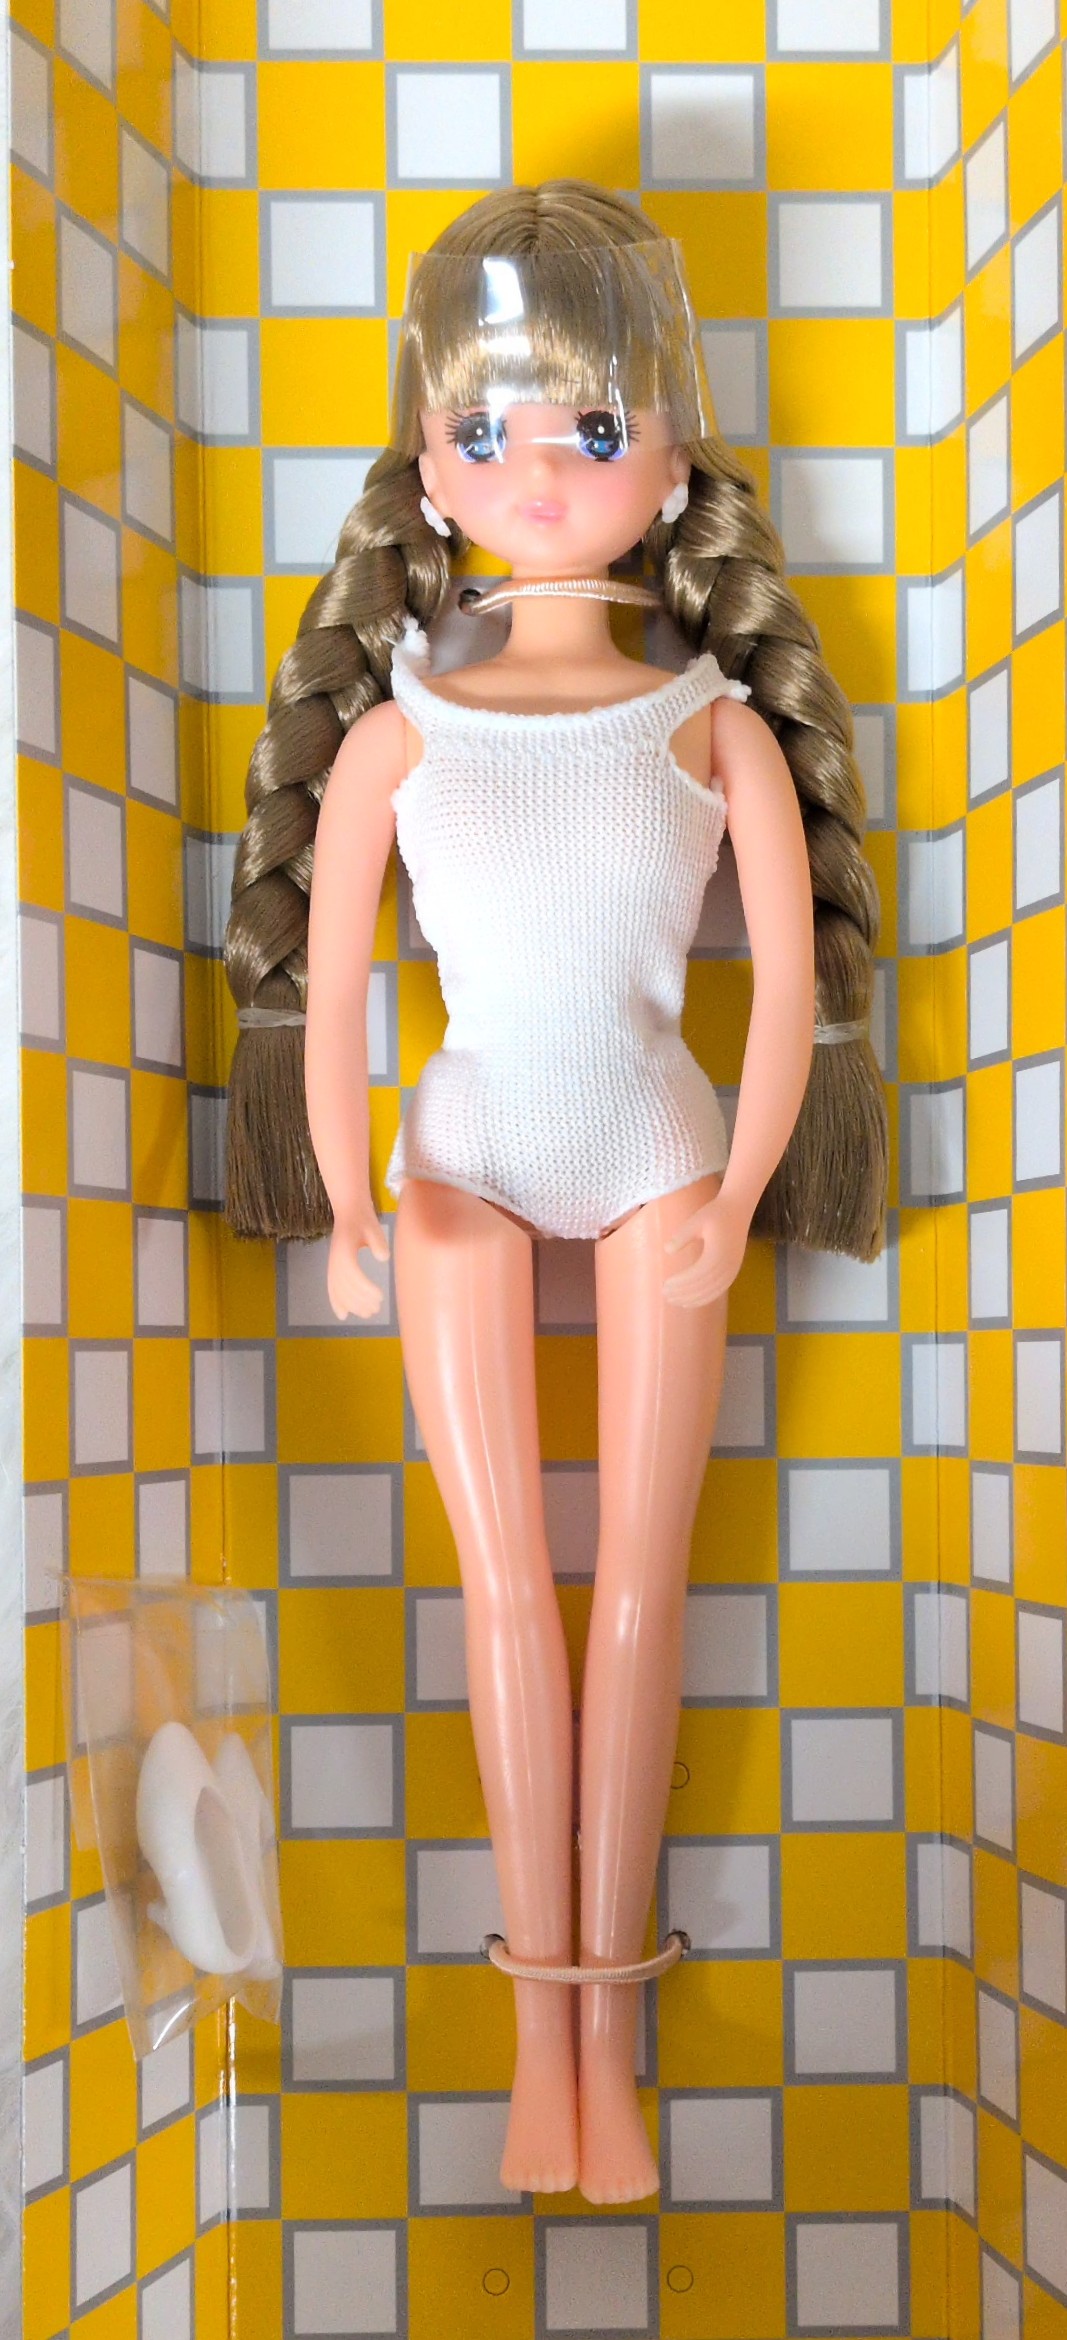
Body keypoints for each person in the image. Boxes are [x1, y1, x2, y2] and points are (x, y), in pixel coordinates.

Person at [223, 178, 887, 2204]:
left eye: (593, 430)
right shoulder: (396, 735)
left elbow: (793, 995)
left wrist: (743, 1188)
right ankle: (546, 2044)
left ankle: (613, 2029)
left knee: (641, 1587)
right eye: (485, 431)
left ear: (670, 463)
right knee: (505, 1585)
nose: (536, 474)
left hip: (665, 1157)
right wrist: (353, 1210)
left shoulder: (716, 727)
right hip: (464, 1167)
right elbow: (334, 992)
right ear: (426, 474)